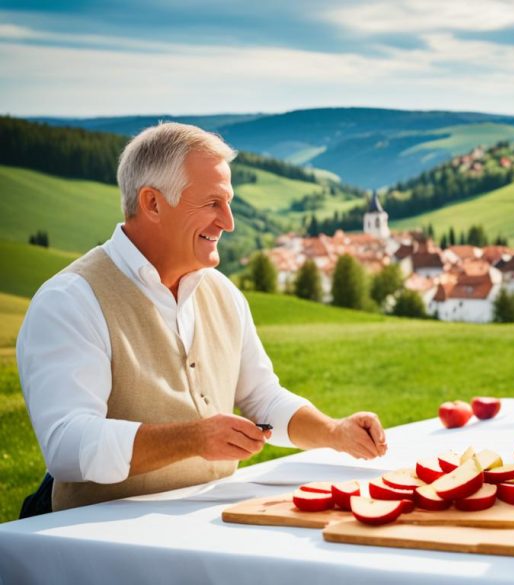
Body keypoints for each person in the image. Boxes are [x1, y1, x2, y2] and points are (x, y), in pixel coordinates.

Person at [17, 123, 388, 517]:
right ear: (153, 203)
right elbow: (67, 445)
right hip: (95, 541)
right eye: (212, 203)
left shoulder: (222, 292)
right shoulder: (71, 300)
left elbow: (262, 397)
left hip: (207, 522)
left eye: (227, 203)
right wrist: (192, 439)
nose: (228, 222)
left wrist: (334, 432)